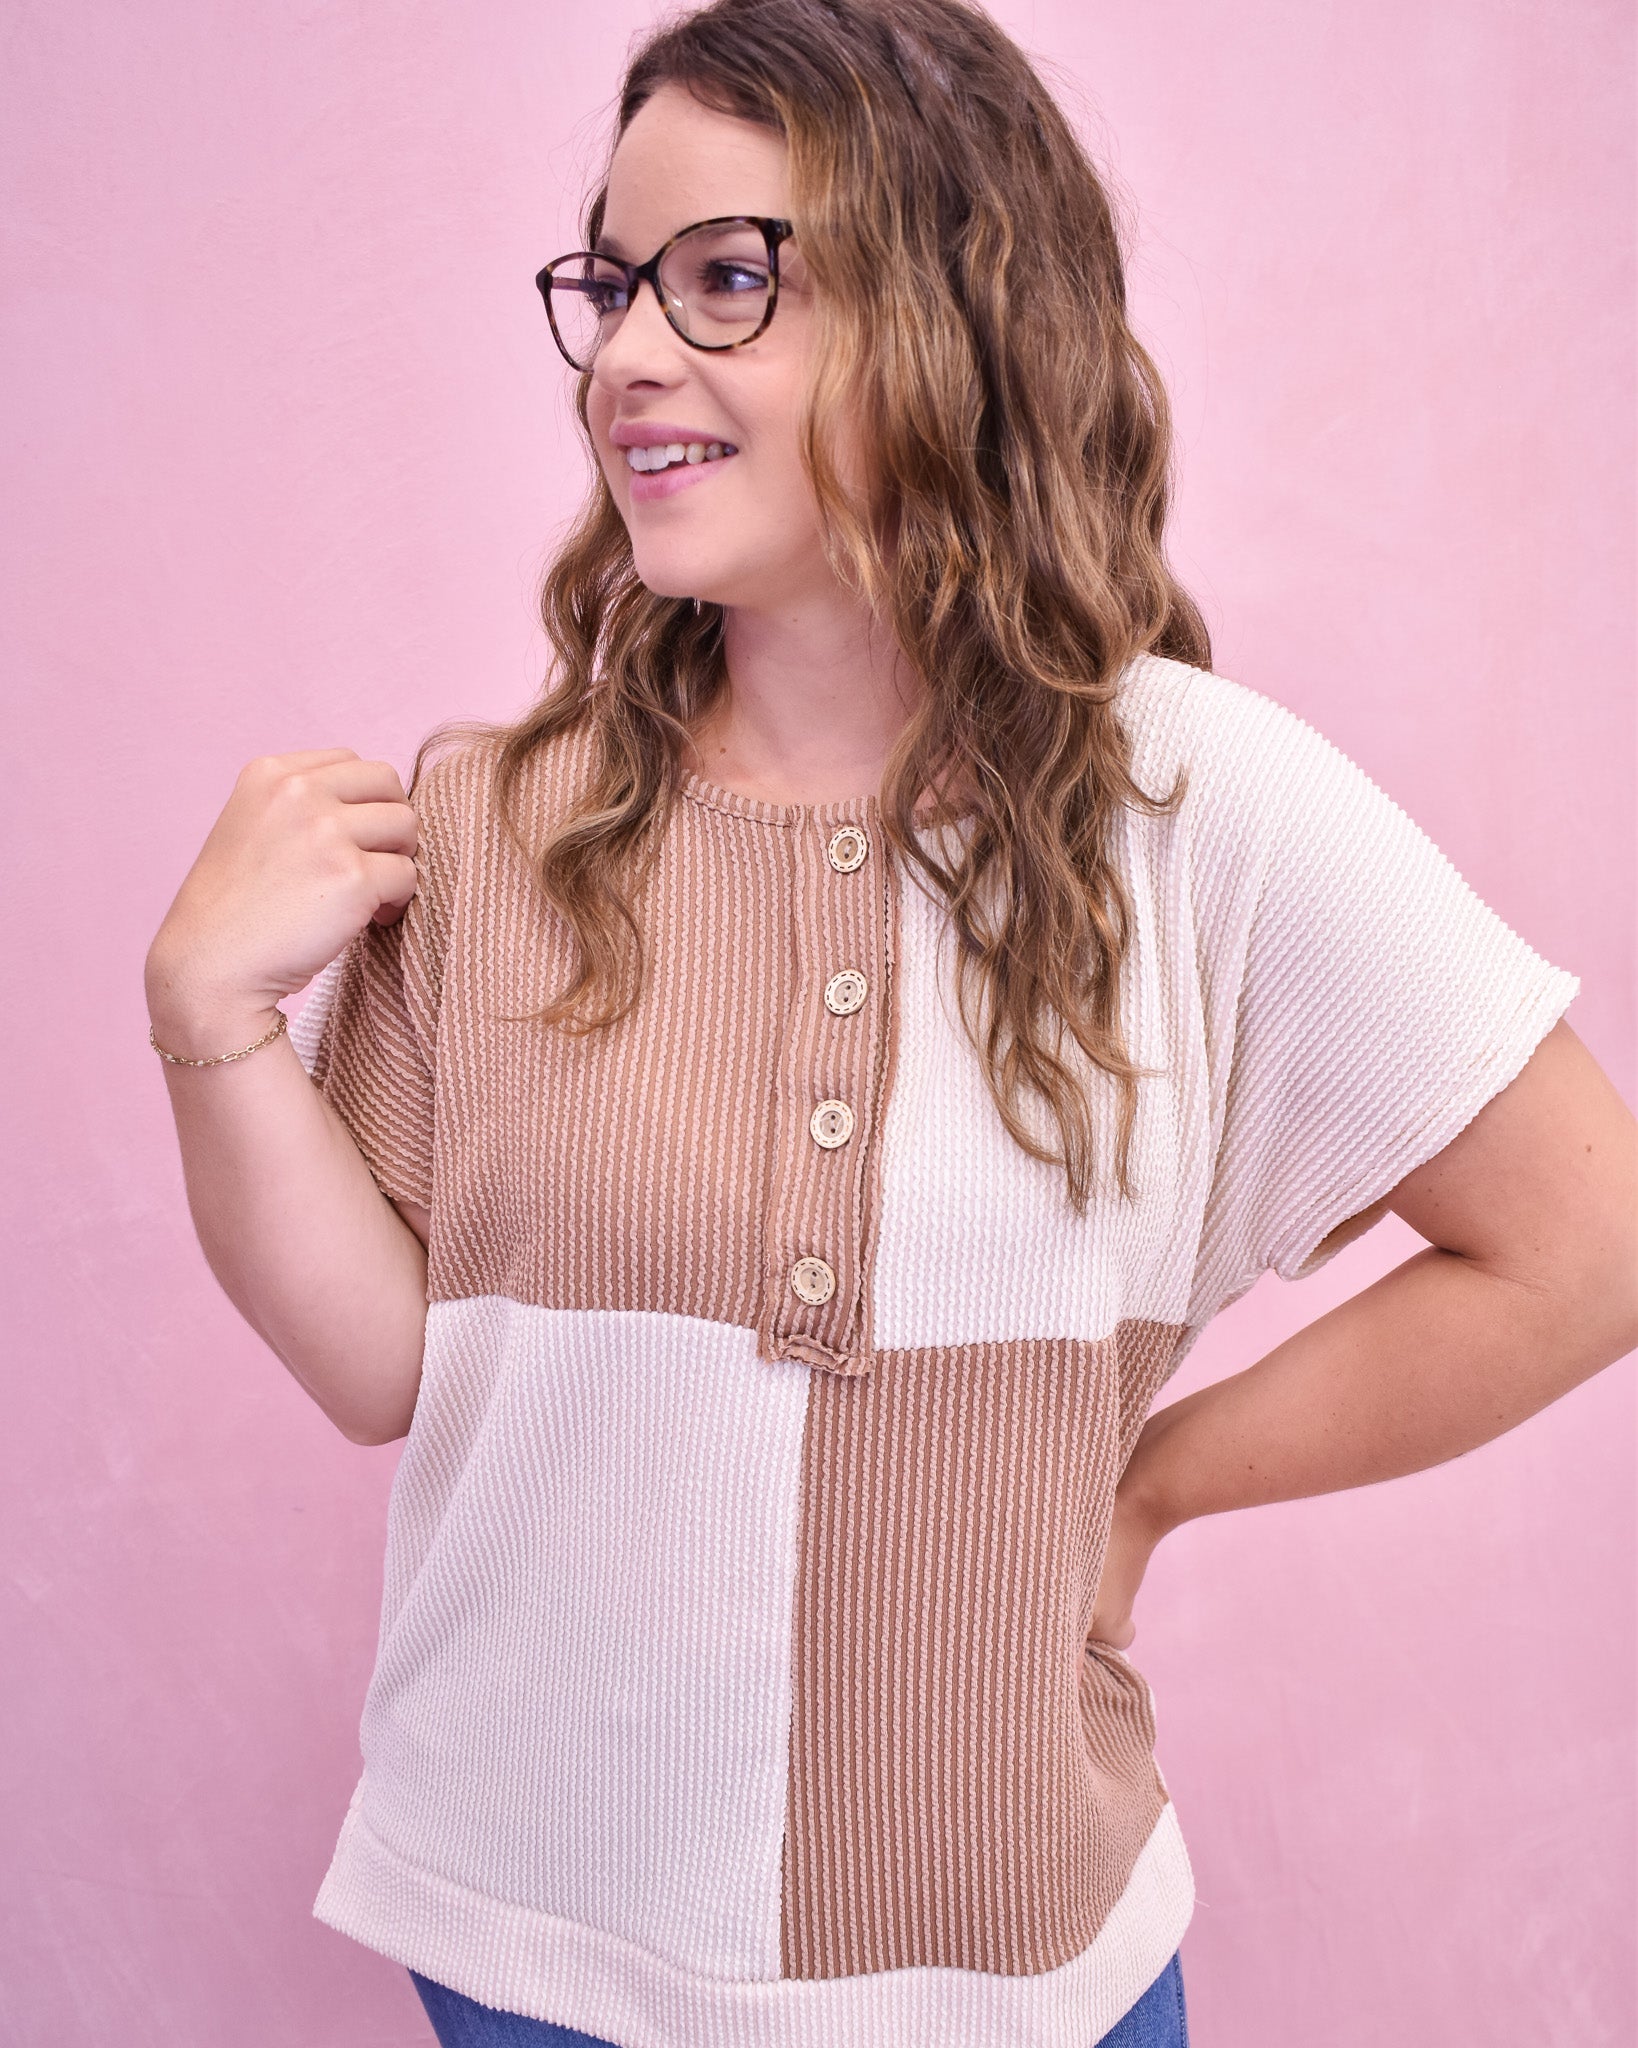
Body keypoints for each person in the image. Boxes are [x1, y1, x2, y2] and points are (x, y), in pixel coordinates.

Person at [141, 1, 1636, 2043]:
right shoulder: (499, 822)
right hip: (536, 1949)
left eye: (729, 277)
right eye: (614, 282)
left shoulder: (1199, 813)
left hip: (1028, 1970)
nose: (633, 356)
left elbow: (1590, 1233)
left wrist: (1161, 1477)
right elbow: (387, 1362)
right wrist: (206, 1019)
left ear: (958, 316)